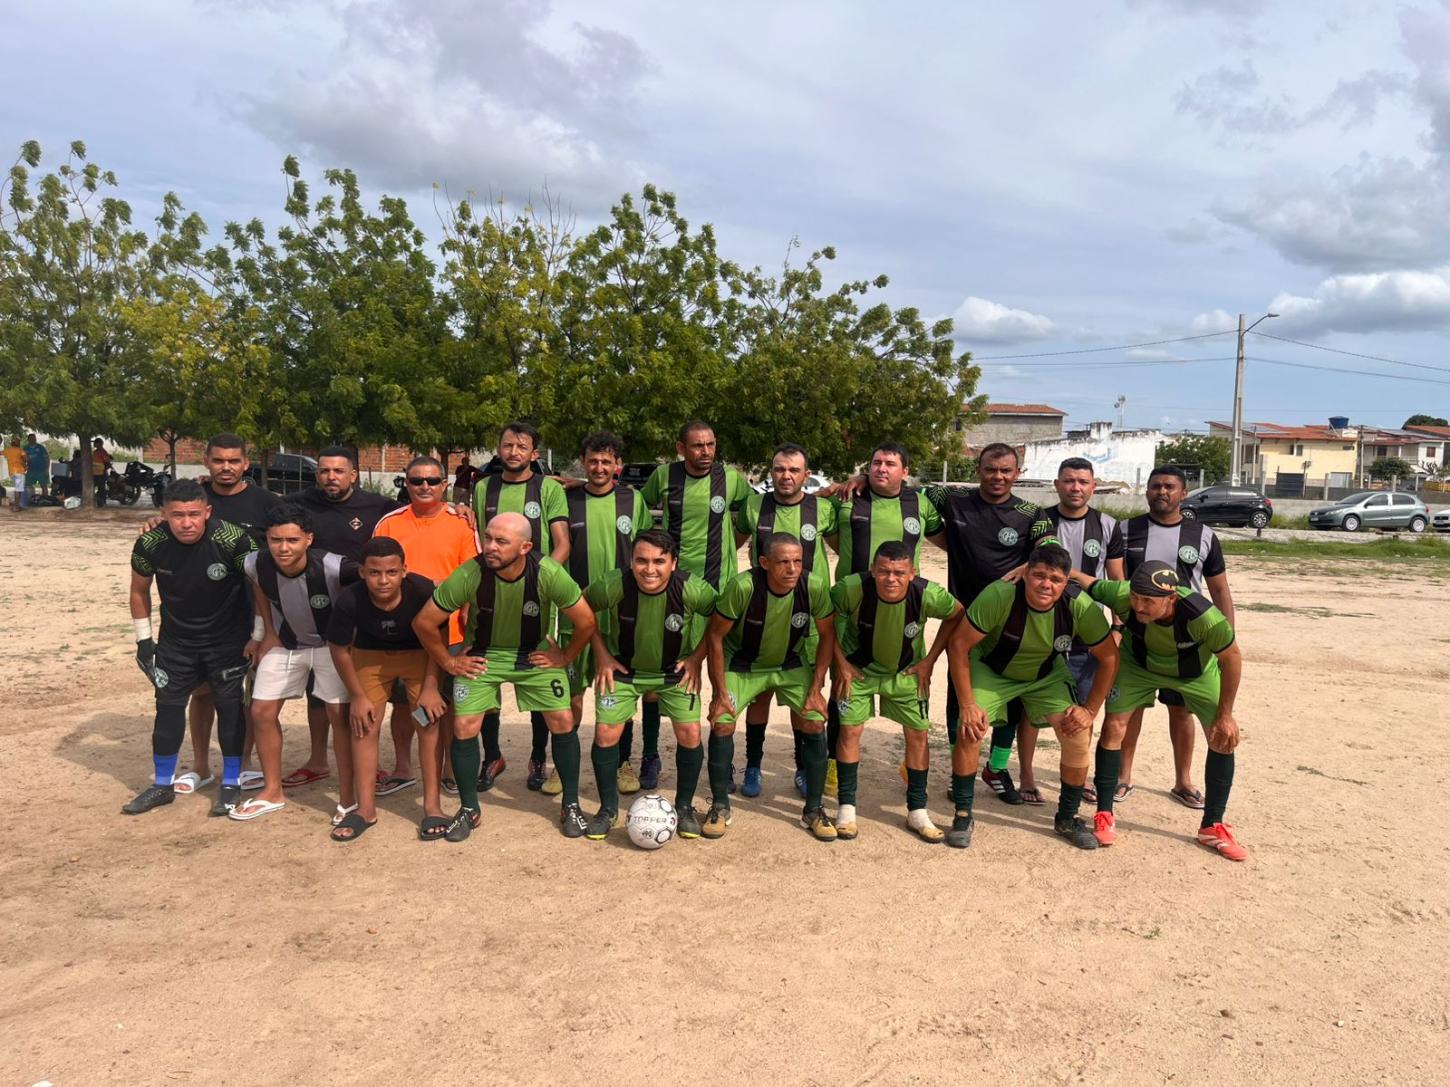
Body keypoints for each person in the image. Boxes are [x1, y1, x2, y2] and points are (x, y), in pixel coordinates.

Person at [413, 513, 597, 841]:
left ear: (525, 547)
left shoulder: (547, 572)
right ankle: (469, 808)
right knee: (463, 725)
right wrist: (448, 662)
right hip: (484, 655)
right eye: (488, 538)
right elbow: (424, 621)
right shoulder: (471, 572)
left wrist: (565, 656)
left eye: (501, 541)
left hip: (534, 653)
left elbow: (586, 621)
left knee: (563, 719)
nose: (490, 547)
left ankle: (570, 804)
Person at [945, 543, 1119, 850]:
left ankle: (1067, 817)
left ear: (1066, 582)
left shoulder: (1079, 605)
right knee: (970, 728)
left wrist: (1090, 710)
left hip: (1045, 675)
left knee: (1077, 733)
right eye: (1039, 575)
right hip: (992, 668)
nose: (1046, 584)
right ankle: (963, 814)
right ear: (1025, 573)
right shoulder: (999, 595)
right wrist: (968, 705)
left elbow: (1109, 657)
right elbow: (959, 644)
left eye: (1055, 579)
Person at [1073, 561, 1246, 860]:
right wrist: (1032, 567)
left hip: (1194, 674)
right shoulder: (1123, 595)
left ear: (1171, 598)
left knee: (1222, 736)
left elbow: (1232, 658)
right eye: (1135, 597)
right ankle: (1104, 813)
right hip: (1138, 667)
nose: (1139, 606)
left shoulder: (1204, 616)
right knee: (1113, 727)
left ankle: (1212, 825)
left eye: (1148, 601)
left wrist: (1226, 715)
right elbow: (1083, 579)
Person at [139, 433, 282, 793]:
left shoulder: (266, 502)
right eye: (219, 460)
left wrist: (264, 629)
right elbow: (172, 525)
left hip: (251, 613)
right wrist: (157, 524)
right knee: (201, 694)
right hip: (197, 620)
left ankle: (242, 766)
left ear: (246, 463)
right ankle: (202, 765)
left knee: (244, 696)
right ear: (207, 462)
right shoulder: (193, 497)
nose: (226, 467)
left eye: (234, 460)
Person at [924, 442, 1054, 805]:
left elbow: (1051, 548)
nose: (998, 476)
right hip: (963, 618)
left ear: (1017, 474)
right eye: (991, 469)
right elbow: (907, 493)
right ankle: (959, 771)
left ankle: (996, 767)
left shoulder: (1031, 513)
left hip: (1009, 621)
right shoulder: (952, 499)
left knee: (1010, 697)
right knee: (959, 696)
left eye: (1006, 471)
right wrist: (860, 479)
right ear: (978, 470)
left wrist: (1032, 563)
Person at [124, 479, 256, 817]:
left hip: (227, 640)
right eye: (178, 515)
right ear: (164, 514)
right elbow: (139, 591)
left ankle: (231, 783)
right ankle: (162, 785)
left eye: (194, 514)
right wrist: (144, 642)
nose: (186, 523)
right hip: (176, 643)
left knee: (229, 708)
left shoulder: (234, 539)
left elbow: (261, 586)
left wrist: (257, 634)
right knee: (167, 708)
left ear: (207, 512)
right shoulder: (150, 542)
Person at [825, 442, 945, 796]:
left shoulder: (920, 504)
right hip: (854, 609)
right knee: (843, 686)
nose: (882, 468)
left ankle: (912, 763)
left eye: (890, 464)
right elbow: (813, 506)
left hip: (904, 611)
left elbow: (947, 539)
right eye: (875, 462)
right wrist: (846, 482)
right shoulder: (848, 498)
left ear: (905, 471)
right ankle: (834, 764)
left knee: (909, 682)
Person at [583, 530, 717, 840]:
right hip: (623, 670)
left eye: (659, 561)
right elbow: (582, 606)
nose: (649, 569)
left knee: (690, 732)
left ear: (674, 563)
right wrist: (601, 654)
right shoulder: (614, 584)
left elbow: (720, 618)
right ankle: (607, 809)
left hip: (673, 672)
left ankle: (684, 807)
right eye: (641, 560)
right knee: (605, 733)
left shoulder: (691, 588)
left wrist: (696, 658)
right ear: (631, 561)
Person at [703, 534, 837, 841]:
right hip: (743, 664)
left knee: (815, 720)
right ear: (764, 563)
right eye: (783, 562)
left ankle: (814, 809)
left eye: (798, 561)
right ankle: (720, 806)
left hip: (790, 663)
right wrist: (719, 693)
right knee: (722, 722)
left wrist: (816, 688)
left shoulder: (813, 586)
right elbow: (715, 636)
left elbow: (828, 635)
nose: (792, 569)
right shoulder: (743, 587)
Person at [229, 504, 357, 822]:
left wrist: (352, 642)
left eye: (292, 540)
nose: (283, 548)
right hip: (287, 643)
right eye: (276, 540)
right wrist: (265, 633)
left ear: (308, 539)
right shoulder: (255, 563)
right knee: (261, 710)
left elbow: (364, 589)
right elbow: (259, 589)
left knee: (339, 715)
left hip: (330, 646)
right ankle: (273, 791)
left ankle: (348, 796)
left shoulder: (333, 566)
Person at [1118, 465, 1236, 808]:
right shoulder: (1126, 531)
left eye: (1169, 486)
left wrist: (1226, 638)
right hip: (1139, 637)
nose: (1162, 492)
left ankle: (1183, 781)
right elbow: (1114, 581)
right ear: (1147, 491)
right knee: (1130, 710)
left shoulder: (1203, 535)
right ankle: (1123, 777)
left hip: (1187, 641)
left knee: (1181, 710)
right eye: (1156, 486)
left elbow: (1219, 589)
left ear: (1183, 493)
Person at [830, 540, 963, 842]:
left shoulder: (928, 594)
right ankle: (847, 807)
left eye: (899, 573)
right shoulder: (850, 588)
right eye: (884, 571)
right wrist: (841, 664)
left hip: (906, 672)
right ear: (872, 570)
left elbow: (957, 614)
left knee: (918, 735)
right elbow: (824, 619)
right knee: (849, 732)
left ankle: (917, 810)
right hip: (858, 672)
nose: (891, 579)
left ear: (912, 573)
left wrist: (929, 660)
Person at [372, 454, 479, 810]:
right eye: (416, 480)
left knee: (444, 704)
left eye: (432, 481)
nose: (424, 487)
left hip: (449, 632)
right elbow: (375, 570)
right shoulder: (390, 523)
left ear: (444, 485)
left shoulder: (461, 523)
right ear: (406, 483)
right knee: (402, 704)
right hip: (400, 632)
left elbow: (473, 575)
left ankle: (448, 767)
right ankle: (403, 767)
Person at [290, 447, 401, 790]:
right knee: (318, 692)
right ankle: (317, 760)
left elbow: (415, 511)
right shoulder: (300, 504)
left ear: (353, 475)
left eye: (338, 471)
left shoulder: (377, 506)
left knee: (363, 688)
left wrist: (459, 508)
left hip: (363, 607)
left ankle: (372, 762)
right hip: (315, 608)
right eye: (324, 471)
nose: (331, 477)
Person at [733, 442, 839, 798]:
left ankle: (802, 767)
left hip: (807, 617)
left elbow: (844, 547)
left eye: (794, 470)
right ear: (771, 473)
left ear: (806, 475)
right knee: (760, 695)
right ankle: (752, 765)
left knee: (802, 697)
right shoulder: (753, 507)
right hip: (763, 615)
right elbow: (732, 544)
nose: (786, 476)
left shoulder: (823, 509)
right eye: (779, 469)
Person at [1017, 456, 1125, 804]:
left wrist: (1118, 626)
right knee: (1032, 708)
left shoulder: (1107, 525)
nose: (1075, 487)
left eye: (1082, 481)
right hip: (1042, 630)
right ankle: (1027, 775)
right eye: (1068, 480)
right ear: (1057, 484)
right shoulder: (1040, 521)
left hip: (1088, 634)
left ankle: (1079, 777)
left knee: (1085, 707)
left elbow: (1116, 580)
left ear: (1094, 486)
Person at [471, 422, 571, 794]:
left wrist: (542, 580)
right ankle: (492, 755)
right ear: (498, 449)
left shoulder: (548, 489)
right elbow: (480, 539)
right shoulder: (484, 488)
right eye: (508, 445)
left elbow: (562, 543)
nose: (514, 452)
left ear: (534, 453)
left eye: (522, 446)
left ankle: (537, 756)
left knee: (538, 669)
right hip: (490, 594)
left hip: (535, 595)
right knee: (486, 669)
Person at [326, 536, 447, 842]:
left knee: (429, 720)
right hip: (371, 657)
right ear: (362, 572)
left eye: (392, 572)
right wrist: (357, 696)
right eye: (374, 573)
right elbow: (339, 648)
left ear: (404, 570)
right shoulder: (350, 599)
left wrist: (431, 687)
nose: (383, 580)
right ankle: (365, 809)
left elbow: (439, 640)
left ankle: (432, 806)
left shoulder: (422, 591)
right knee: (364, 725)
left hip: (419, 655)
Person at [562, 432, 652, 796]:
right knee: (571, 693)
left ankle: (622, 763)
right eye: (593, 461)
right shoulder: (566, 499)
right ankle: (564, 764)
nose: (599, 467)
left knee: (619, 688)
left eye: (606, 461)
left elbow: (646, 551)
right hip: (574, 612)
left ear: (618, 465)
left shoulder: (633, 499)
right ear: (583, 462)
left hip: (621, 613)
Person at [4, 437, 28, 508]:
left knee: (17, 488)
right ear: (19, 443)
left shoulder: (7, 450)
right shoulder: (21, 450)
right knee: (18, 490)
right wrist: (25, 465)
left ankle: (17, 505)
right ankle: (16, 507)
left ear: (11, 443)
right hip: (19, 472)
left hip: (11, 473)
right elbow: (26, 459)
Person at [23, 434, 48, 500]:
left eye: (34, 438)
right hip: (30, 470)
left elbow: (47, 458)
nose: (33, 440)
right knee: (27, 486)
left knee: (44, 486)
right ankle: (29, 500)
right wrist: (24, 467)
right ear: (28, 439)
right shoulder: (25, 448)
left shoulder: (41, 447)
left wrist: (47, 469)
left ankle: (45, 500)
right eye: (31, 438)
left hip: (41, 470)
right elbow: (23, 459)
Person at [91, 438, 113, 505]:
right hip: (94, 474)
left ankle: (102, 503)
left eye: (95, 443)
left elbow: (107, 462)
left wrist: (104, 469)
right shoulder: (95, 452)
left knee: (101, 489)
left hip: (101, 474)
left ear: (99, 444)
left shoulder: (103, 452)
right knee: (93, 488)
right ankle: (96, 501)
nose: (94, 444)